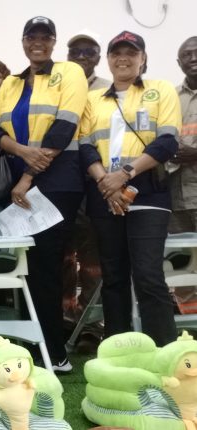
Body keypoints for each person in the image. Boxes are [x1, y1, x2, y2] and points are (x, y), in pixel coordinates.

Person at [0, 16, 87, 373]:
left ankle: (54, 354)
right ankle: (33, 344)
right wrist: (22, 153)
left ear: (54, 41)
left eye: (46, 37)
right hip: (20, 184)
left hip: (57, 183)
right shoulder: (12, 83)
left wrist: (28, 175)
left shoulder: (70, 72)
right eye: (32, 36)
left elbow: (64, 128)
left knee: (46, 267)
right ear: (23, 41)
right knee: (27, 268)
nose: (38, 42)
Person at [79, 31, 180, 347]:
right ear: (108, 60)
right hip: (104, 193)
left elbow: (167, 142)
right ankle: (119, 349)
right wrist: (106, 183)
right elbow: (85, 146)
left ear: (143, 58)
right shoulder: (93, 98)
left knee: (148, 275)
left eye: (131, 53)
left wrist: (124, 174)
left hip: (148, 192)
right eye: (117, 53)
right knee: (113, 277)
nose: (123, 58)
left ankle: (164, 350)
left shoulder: (161, 89)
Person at [62, 31, 110, 351]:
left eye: (88, 52)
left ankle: (92, 327)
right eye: (75, 52)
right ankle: (66, 320)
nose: (81, 57)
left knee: (93, 259)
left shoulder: (109, 89)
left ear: (98, 57)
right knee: (63, 256)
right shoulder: (59, 85)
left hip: (96, 181)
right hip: (62, 181)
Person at [169, 36, 197, 312]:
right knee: (182, 264)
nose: (193, 59)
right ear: (179, 63)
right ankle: (189, 323)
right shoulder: (171, 98)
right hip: (175, 198)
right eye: (187, 55)